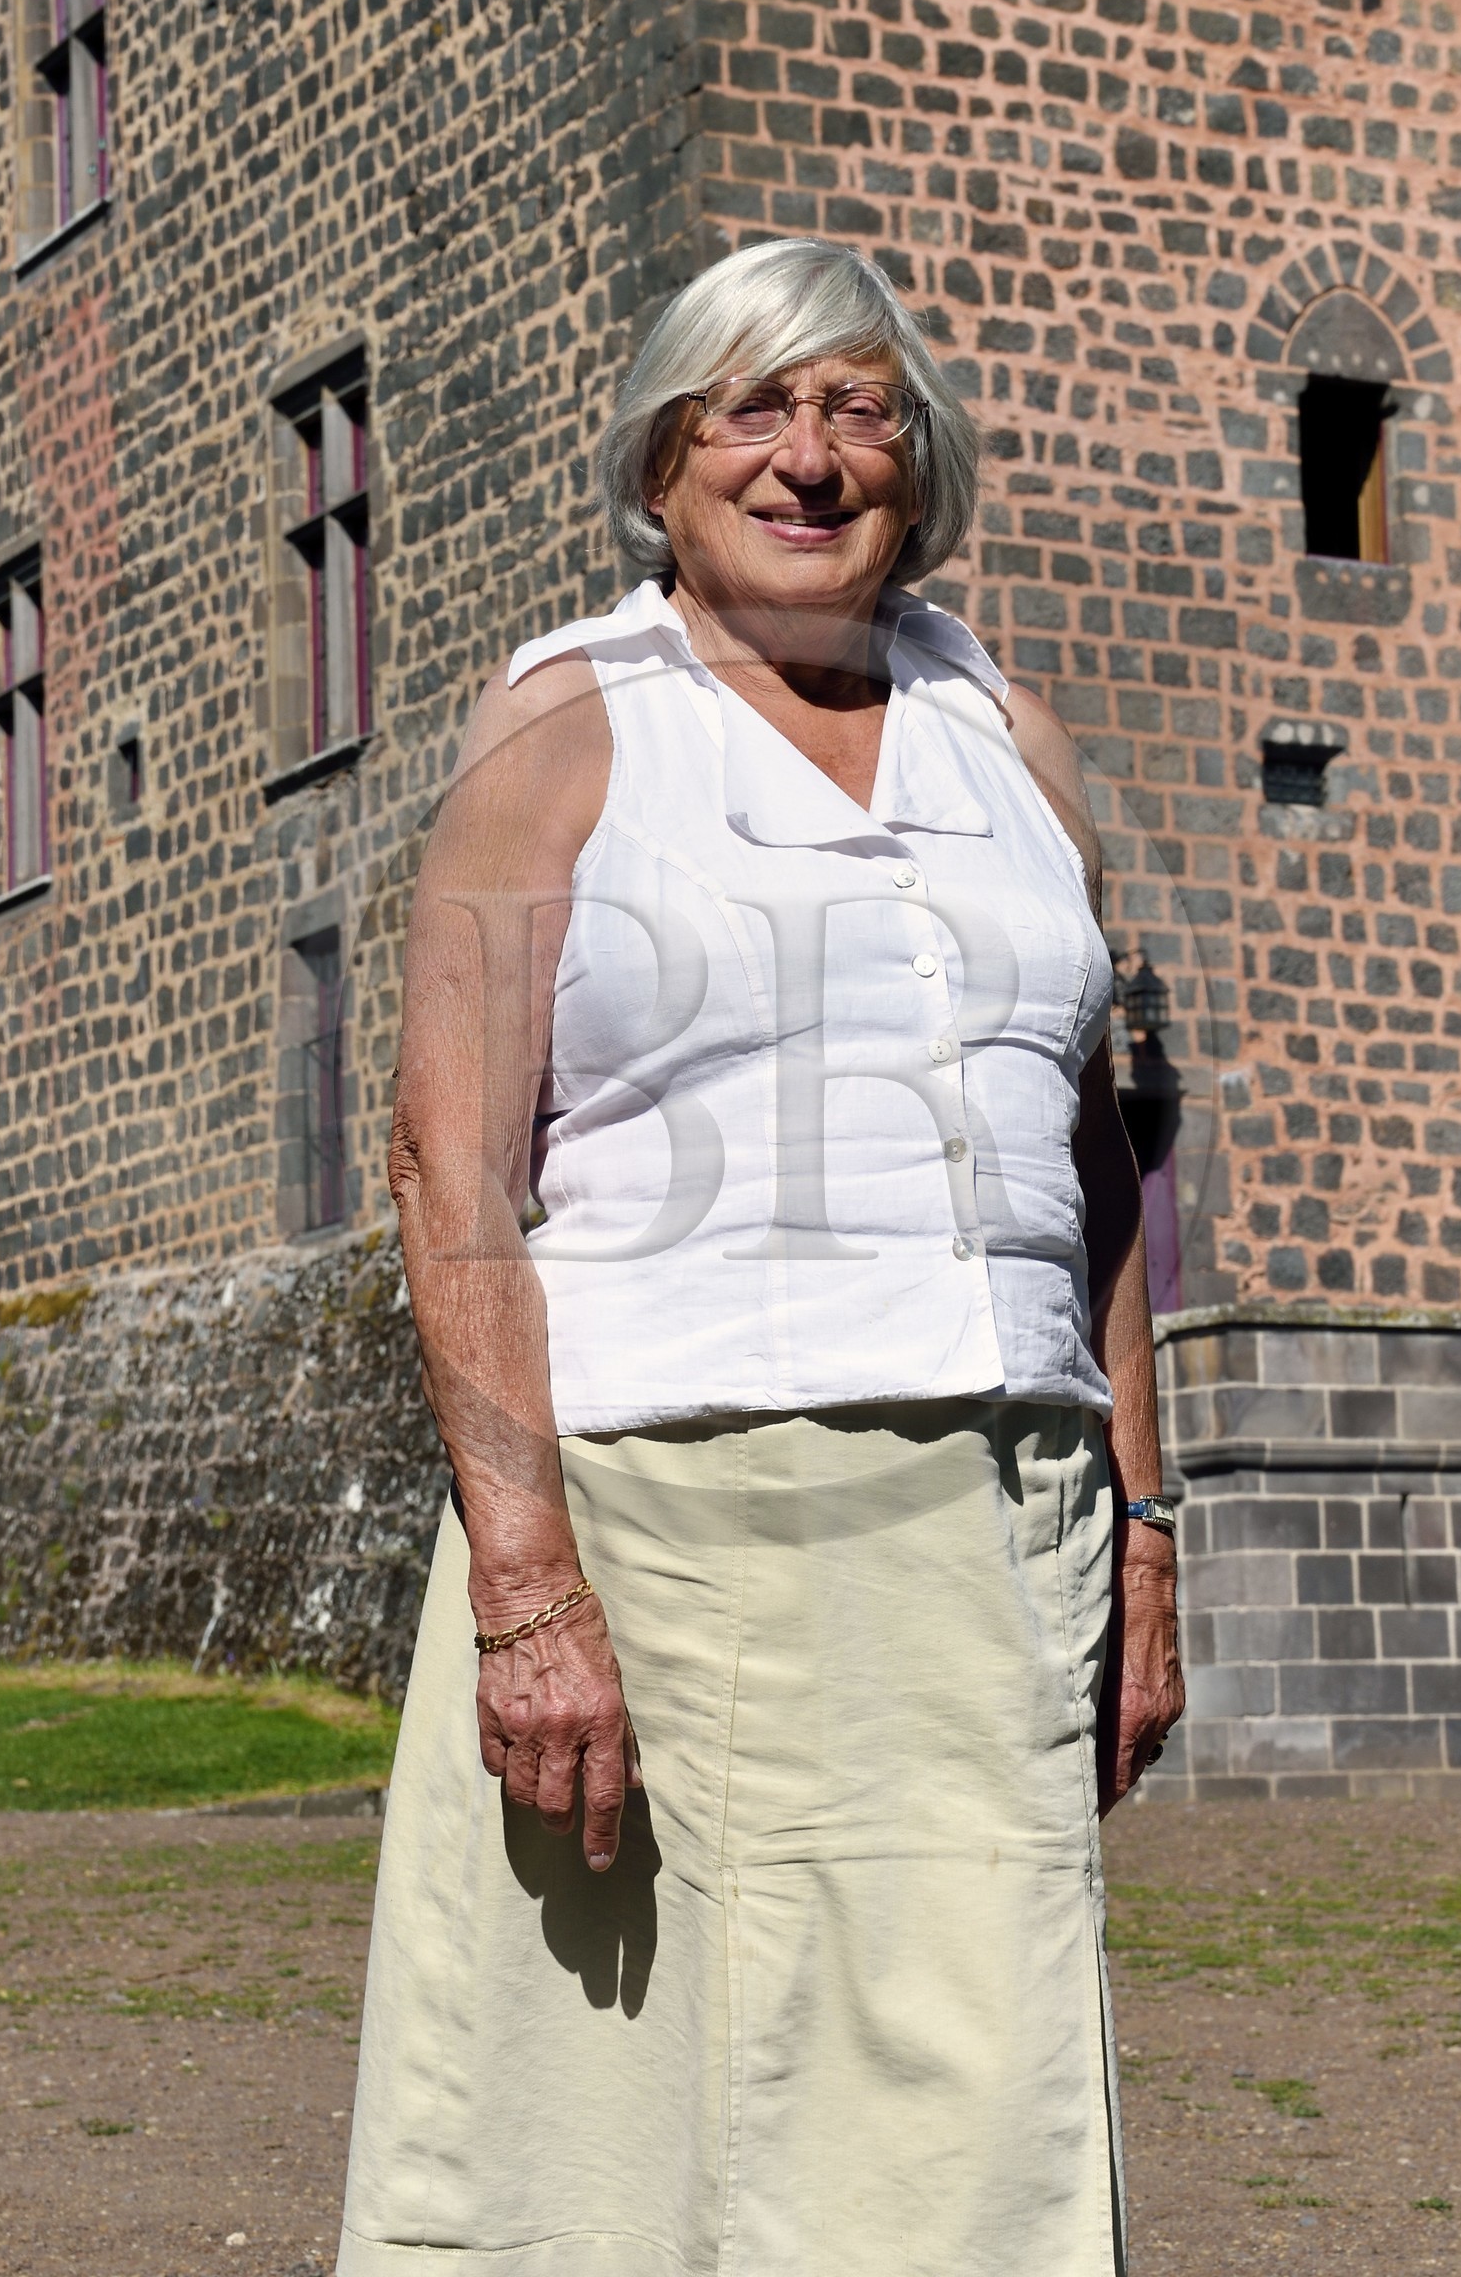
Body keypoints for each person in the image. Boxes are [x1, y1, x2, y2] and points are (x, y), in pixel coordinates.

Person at [337, 236, 1183, 2277]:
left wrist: (1144, 1528)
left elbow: (1091, 1154)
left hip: (995, 1515)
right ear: (663, 457)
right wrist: (529, 1593)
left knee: (971, 2124)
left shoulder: (1006, 728)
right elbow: (449, 1158)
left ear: (919, 456)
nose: (808, 457)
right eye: (753, 408)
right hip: (660, 1522)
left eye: (857, 406)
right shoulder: (565, 723)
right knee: (595, 2127)